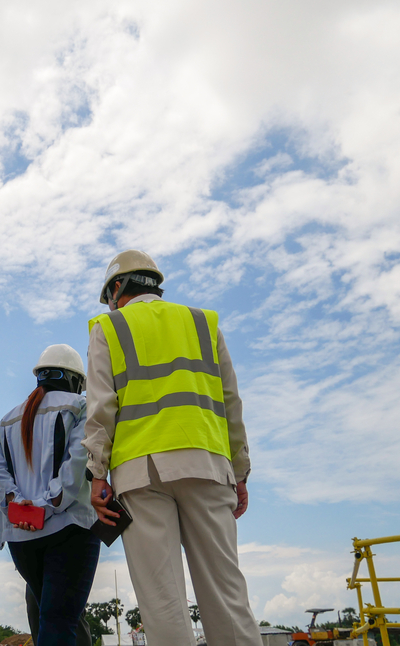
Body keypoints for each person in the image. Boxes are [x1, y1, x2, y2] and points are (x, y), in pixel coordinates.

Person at [83, 249, 261, 646]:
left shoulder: (108, 327)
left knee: (161, 599)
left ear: (117, 287)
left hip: (141, 473)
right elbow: (231, 402)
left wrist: (96, 475)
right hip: (208, 465)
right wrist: (241, 472)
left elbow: (100, 410)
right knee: (227, 593)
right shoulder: (203, 323)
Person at [0, 344, 100, 646]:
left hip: (21, 538)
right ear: (76, 380)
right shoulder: (81, 406)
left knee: (55, 618)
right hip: (69, 528)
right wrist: (45, 507)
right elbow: (76, 468)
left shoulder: (6, 420)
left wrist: (22, 508)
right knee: (59, 621)